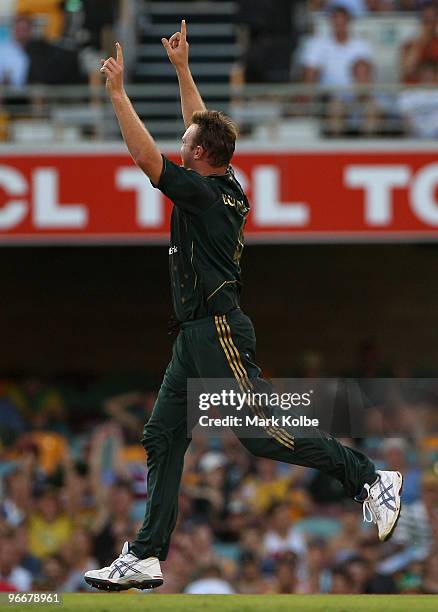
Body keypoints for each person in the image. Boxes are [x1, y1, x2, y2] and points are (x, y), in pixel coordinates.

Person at [84, 20, 403, 591]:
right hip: (193, 336)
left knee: (259, 436)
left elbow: (145, 157)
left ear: (200, 155)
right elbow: (196, 127)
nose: (182, 142)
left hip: (218, 331)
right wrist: (182, 70)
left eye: (188, 143)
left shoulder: (202, 192)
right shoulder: (223, 177)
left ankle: (370, 479)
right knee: (161, 436)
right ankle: (148, 554)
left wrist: (117, 95)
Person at [302, 4, 373, 87]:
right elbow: (309, 75)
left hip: (355, 95)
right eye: (336, 22)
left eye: (342, 22)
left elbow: (367, 75)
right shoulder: (317, 44)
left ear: (348, 22)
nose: (339, 26)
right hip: (326, 95)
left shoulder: (361, 45)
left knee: (362, 68)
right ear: (331, 22)